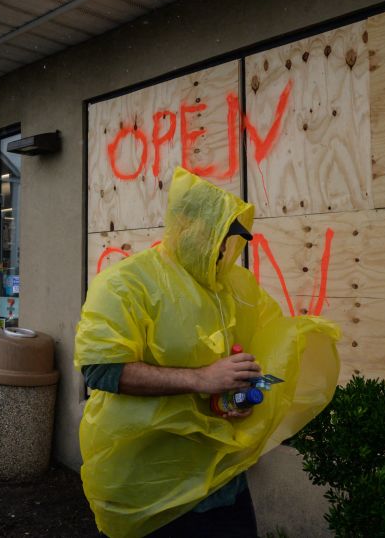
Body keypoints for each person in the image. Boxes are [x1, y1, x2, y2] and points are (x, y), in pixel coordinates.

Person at [76, 167, 341, 538]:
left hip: (221, 475)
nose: (222, 248)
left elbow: (254, 349)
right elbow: (100, 369)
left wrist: (242, 390)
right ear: (182, 227)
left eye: (229, 239)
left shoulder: (232, 286)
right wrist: (202, 378)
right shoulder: (126, 284)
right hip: (148, 484)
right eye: (215, 236)